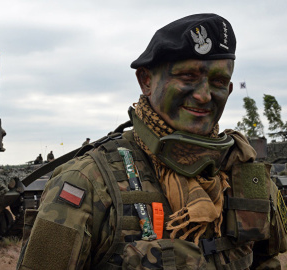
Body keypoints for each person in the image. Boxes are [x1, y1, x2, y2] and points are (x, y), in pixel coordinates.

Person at [17, 14, 286, 270]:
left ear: (228, 90)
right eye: (188, 77)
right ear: (146, 81)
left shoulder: (245, 177)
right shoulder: (88, 182)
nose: (204, 95)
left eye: (217, 81)